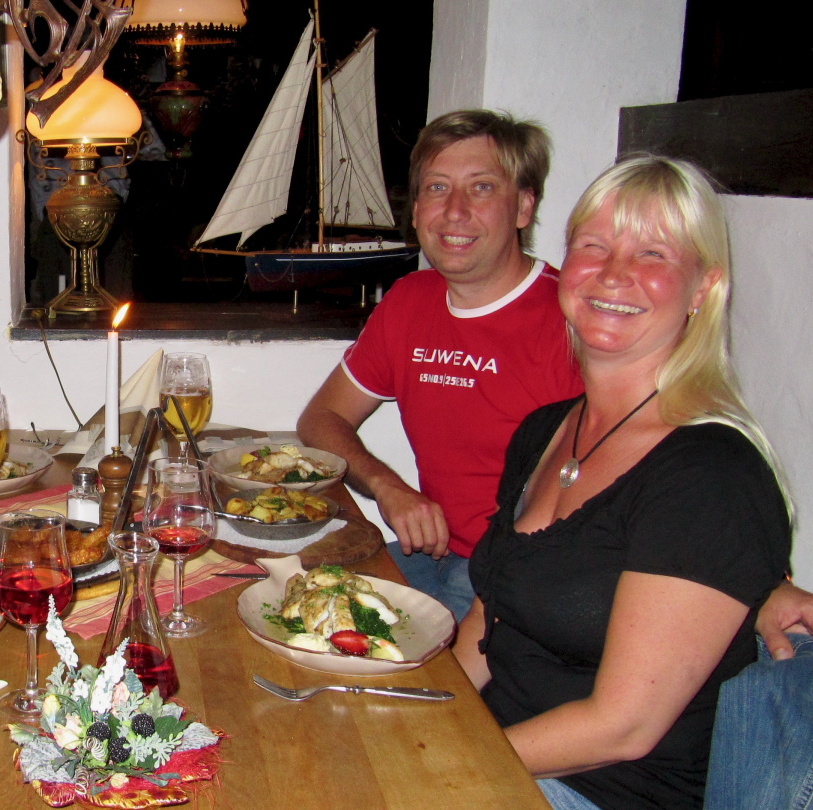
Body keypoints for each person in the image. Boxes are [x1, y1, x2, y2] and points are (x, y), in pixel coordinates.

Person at [452, 156, 791, 810]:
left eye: (653, 253)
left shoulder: (711, 475)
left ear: (704, 287)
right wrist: (415, 721)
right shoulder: (546, 430)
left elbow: (624, 727)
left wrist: (446, 756)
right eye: (593, 246)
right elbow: (481, 632)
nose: (613, 273)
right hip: (492, 755)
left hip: (594, 793)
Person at [297, 109, 583, 620]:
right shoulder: (410, 301)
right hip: (433, 555)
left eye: (481, 188)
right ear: (414, 210)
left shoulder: (574, 320)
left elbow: (664, 459)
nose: (453, 211)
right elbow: (320, 419)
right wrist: (390, 488)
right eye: (436, 187)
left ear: (523, 205)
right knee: (296, 600)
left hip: (518, 575)